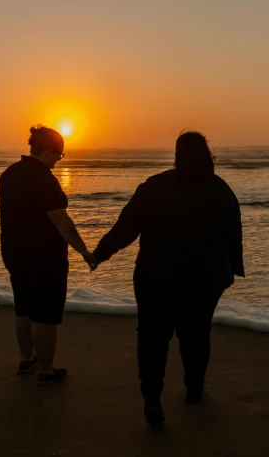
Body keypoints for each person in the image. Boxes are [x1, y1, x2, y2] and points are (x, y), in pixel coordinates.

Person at [93, 131, 244, 426]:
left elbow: (126, 227)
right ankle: (194, 389)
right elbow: (233, 233)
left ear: (176, 155)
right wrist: (231, 272)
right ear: (207, 156)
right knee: (197, 335)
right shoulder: (220, 190)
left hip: (155, 277)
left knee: (152, 337)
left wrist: (100, 254)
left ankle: (152, 399)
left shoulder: (156, 186)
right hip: (205, 280)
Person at [0, 125, 99, 386]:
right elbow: (59, 219)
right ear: (46, 151)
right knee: (46, 315)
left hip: (13, 250)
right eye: (59, 154)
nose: (59, 159)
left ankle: (26, 358)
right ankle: (46, 371)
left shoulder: (9, 174)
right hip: (43, 256)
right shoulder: (43, 179)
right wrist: (84, 250)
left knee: (23, 308)